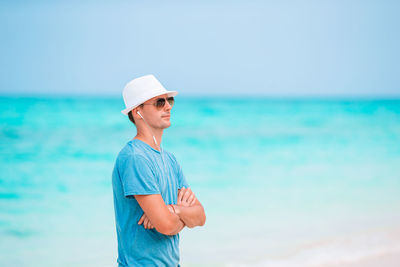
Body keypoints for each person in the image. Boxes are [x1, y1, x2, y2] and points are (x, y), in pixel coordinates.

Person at [112, 74, 206, 266]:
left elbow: (200, 216)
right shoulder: (135, 158)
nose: (168, 106)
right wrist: (179, 216)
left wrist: (173, 209)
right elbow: (166, 225)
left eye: (169, 100)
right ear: (138, 111)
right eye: (159, 102)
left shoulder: (170, 159)